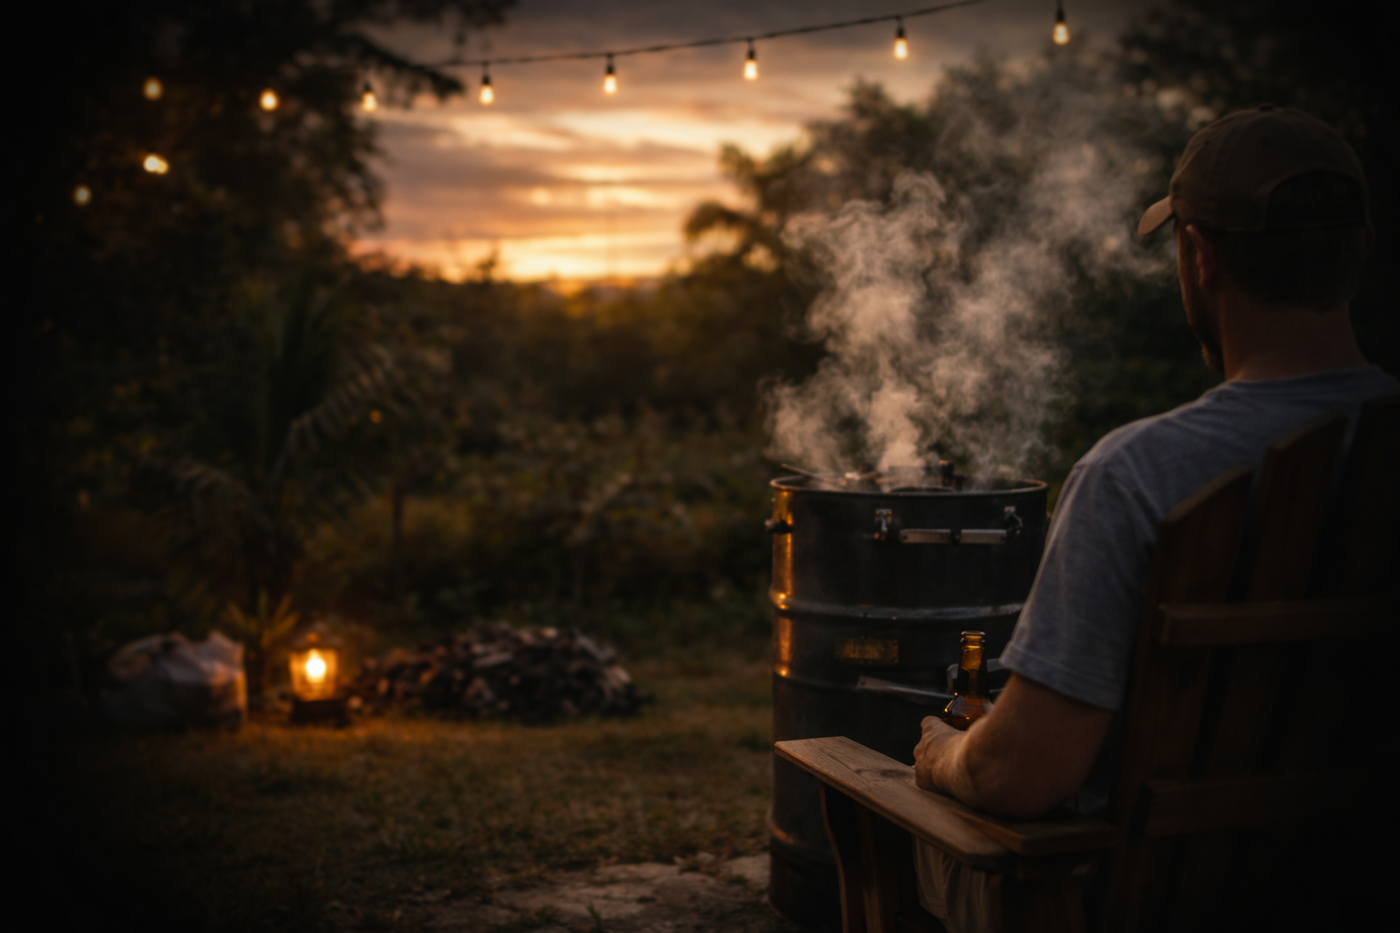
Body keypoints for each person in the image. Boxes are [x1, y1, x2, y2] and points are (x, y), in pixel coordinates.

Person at [908, 105, 1398, 933]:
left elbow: (1024, 776)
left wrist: (944, 756)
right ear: (1359, 246)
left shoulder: (1135, 477)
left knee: (888, 809)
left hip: (1148, 899)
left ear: (1200, 257)